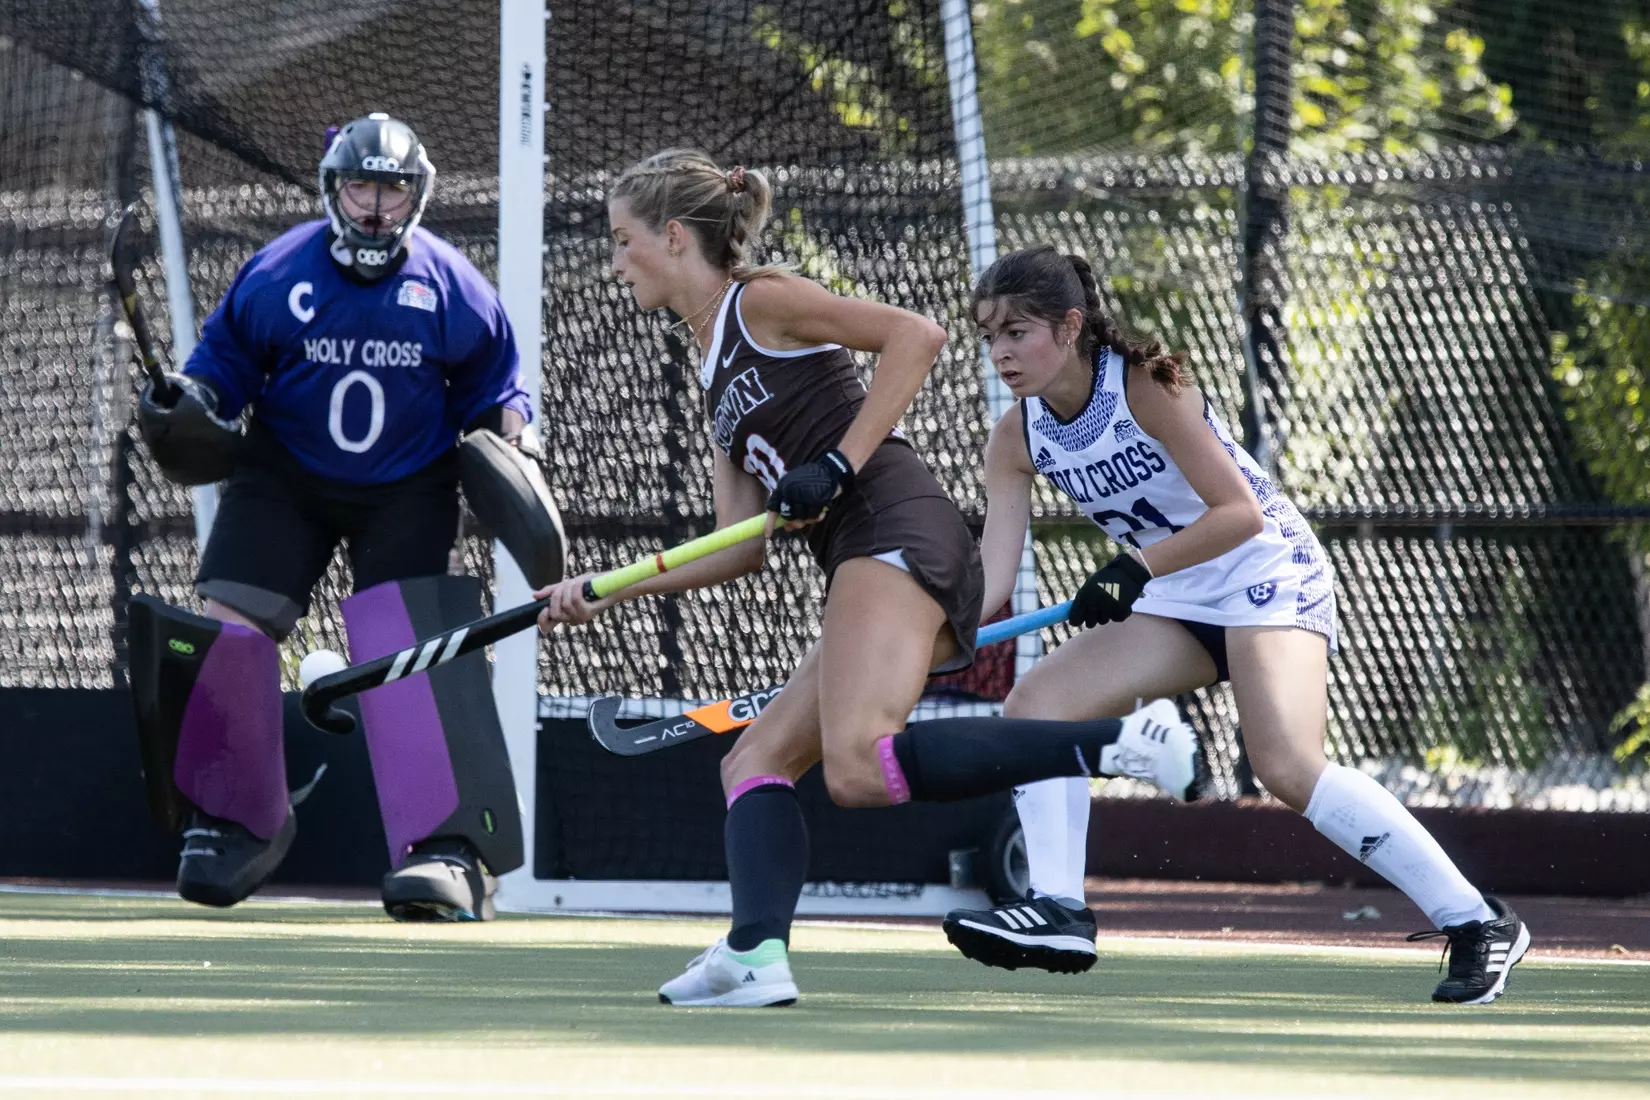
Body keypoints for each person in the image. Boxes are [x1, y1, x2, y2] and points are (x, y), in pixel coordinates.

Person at [534, 149, 1203, 1008]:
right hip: (863, 552)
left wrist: (840, 466)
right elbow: (735, 547)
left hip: (894, 525)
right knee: (755, 762)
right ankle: (754, 954)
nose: (616, 260)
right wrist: (608, 589)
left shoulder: (759, 301)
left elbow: (914, 336)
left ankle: (1121, 745)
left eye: (624, 241)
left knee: (857, 768)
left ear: (672, 237)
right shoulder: (709, 366)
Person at [939, 245, 1531, 1005]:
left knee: (1286, 766)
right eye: (989, 336)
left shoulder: (1148, 386)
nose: (1000, 353)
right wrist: (924, 630)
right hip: (1177, 595)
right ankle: (1059, 909)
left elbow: (1238, 514)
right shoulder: (1014, 438)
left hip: (1265, 572)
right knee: (1036, 709)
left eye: (1016, 332)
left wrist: (1135, 569)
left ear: (1070, 325)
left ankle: (1479, 923)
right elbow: (990, 577)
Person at [133, 112, 543, 922]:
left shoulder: (455, 286)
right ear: (334, 189)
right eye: (362, 186)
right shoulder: (275, 273)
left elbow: (498, 391)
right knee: (230, 633)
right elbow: (220, 367)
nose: (376, 208)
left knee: (415, 650)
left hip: (409, 483)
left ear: (416, 195)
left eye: (393, 189)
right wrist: (193, 401)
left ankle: (449, 848)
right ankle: (238, 817)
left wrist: (514, 440)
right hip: (283, 475)